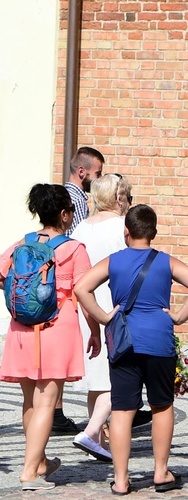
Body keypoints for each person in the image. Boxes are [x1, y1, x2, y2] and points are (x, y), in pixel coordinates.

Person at [75, 204, 188, 494]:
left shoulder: (113, 261)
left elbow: (82, 288)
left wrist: (104, 317)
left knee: (122, 410)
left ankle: (121, 480)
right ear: (154, 233)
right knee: (161, 406)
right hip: (159, 341)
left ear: (126, 231)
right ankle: (161, 473)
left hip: (124, 342)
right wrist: (179, 316)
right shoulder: (165, 261)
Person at [0, 183, 101, 491]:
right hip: (56, 326)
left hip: (21, 329)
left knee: (30, 400)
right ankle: (30, 472)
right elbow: (84, 293)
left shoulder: (21, 243)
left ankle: (40, 461)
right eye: (70, 210)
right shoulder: (73, 248)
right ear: (63, 214)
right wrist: (96, 330)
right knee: (48, 402)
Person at [70, 174, 135, 462]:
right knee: (118, 377)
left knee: (97, 378)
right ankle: (94, 431)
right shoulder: (122, 227)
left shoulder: (81, 228)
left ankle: (97, 438)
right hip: (114, 304)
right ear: (119, 197)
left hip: (85, 305)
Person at [53, 146, 104, 437]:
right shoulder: (73, 198)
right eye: (96, 174)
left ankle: (56, 411)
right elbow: (73, 242)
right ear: (82, 171)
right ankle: (56, 412)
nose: (97, 180)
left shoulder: (75, 197)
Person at [64, 147, 105, 237]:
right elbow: (79, 239)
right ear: (81, 172)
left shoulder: (63, 195)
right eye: (97, 174)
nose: (99, 179)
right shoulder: (78, 201)